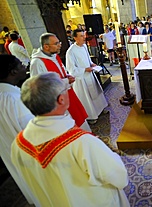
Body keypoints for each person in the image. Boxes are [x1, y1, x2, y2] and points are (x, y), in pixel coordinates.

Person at [11, 72, 130, 207]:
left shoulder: (19, 143)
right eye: (65, 88)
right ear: (61, 99)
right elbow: (118, 176)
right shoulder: (81, 142)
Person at [30, 32, 91, 132]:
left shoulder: (54, 55)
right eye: (56, 43)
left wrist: (66, 75)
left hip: (67, 93)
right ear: (46, 46)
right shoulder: (37, 62)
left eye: (59, 42)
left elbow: (61, 71)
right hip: (56, 100)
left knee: (79, 118)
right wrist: (66, 81)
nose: (59, 45)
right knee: (69, 126)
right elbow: (41, 86)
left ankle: (86, 138)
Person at [0, 55, 36, 205]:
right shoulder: (15, 100)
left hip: (11, 154)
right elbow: (34, 133)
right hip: (32, 157)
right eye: (21, 65)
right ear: (13, 72)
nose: (24, 66)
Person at [66, 29, 108, 124]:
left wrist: (92, 64)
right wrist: (84, 70)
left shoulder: (84, 46)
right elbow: (71, 69)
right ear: (75, 38)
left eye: (83, 35)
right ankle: (92, 116)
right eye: (81, 36)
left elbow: (87, 59)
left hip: (90, 75)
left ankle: (100, 109)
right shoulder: (70, 51)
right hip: (81, 79)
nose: (84, 38)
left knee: (96, 93)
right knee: (87, 98)